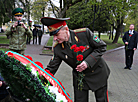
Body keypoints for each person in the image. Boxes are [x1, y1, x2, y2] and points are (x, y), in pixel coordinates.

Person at [41, 17, 110, 102]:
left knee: (101, 100)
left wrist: (87, 62)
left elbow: (102, 47)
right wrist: (38, 78)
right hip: (80, 78)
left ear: (66, 29)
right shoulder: (58, 48)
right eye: (53, 36)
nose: (55, 38)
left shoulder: (84, 33)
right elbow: (52, 67)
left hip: (97, 74)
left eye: (57, 34)